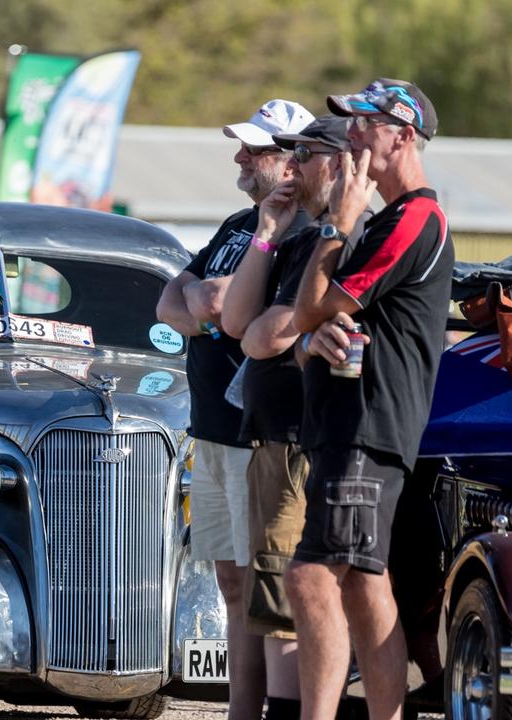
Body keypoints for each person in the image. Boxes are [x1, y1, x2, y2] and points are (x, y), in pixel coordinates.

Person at [286, 79, 453, 720]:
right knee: (362, 580)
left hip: (368, 427)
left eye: (366, 122)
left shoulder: (413, 218)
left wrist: (334, 226)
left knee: (310, 576)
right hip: (348, 425)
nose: (353, 132)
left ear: (403, 136)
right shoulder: (386, 219)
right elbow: (312, 329)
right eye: (350, 121)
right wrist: (314, 334)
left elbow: (310, 308)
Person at [156, 97, 313, 720]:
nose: (241, 157)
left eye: (258, 149)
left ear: (294, 162)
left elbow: (228, 309)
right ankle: (239, 710)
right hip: (214, 430)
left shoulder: (300, 234)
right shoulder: (234, 226)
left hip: (261, 436)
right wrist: (197, 296)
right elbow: (171, 301)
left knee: (270, 592)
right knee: (232, 585)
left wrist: (204, 302)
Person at [220, 115, 367, 720]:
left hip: (297, 437)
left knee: (290, 595)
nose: (292, 165)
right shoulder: (295, 235)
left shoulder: (329, 238)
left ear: (334, 161)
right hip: (270, 435)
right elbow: (235, 323)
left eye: (303, 154)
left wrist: (287, 330)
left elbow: (258, 338)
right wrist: (266, 231)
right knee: (272, 592)